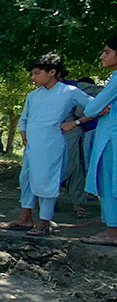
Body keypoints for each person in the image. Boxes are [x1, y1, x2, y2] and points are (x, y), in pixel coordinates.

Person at [1, 53, 93, 236]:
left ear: (52, 72)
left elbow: (97, 107)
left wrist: (75, 123)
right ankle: (25, 217)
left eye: (36, 73)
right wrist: (23, 133)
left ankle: (44, 221)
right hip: (32, 145)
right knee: (26, 179)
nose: (33, 78)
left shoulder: (69, 92)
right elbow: (24, 118)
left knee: (47, 181)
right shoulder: (33, 95)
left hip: (51, 143)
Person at [81, 36, 117, 246]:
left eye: (107, 52)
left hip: (111, 138)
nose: (102, 56)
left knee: (110, 181)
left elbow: (91, 109)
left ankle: (113, 231)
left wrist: (98, 109)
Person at [58, 76, 102, 218]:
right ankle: (47, 201)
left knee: (75, 167)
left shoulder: (74, 87)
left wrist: (77, 122)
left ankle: (78, 205)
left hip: (71, 130)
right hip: (50, 133)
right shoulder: (39, 93)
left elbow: (98, 98)